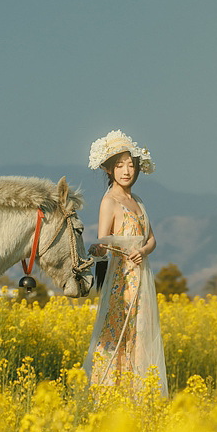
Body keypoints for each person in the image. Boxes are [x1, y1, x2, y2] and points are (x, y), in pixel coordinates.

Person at [84, 130, 168, 396]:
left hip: (141, 278)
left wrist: (143, 250)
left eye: (131, 165)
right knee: (116, 332)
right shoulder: (109, 201)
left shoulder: (138, 202)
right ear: (109, 170)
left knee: (140, 333)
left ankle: (138, 395)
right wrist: (98, 250)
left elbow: (152, 239)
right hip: (121, 280)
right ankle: (108, 393)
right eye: (120, 165)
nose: (126, 171)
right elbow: (104, 242)